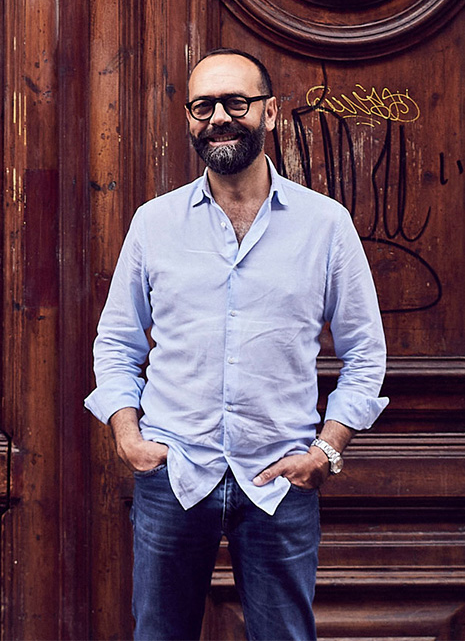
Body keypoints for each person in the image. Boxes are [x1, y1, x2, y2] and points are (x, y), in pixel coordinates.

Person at [85, 48, 389, 641]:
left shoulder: (326, 225)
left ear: (270, 113)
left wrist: (325, 451)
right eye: (203, 105)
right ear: (190, 119)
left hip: (281, 480)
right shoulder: (154, 223)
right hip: (175, 476)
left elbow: (366, 355)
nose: (219, 116)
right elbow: (117, 340)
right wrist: (128, 437)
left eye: (236, 102)